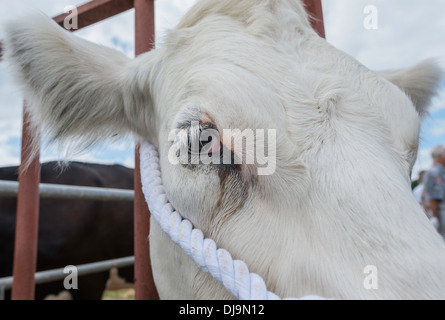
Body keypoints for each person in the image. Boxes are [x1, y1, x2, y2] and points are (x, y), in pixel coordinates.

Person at [422, 145, 445, 234]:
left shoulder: (435, 171)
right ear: (440, 155)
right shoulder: (436, 172)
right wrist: (436, 219)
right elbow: (433, 199)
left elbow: (423, 197)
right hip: (441, 213)